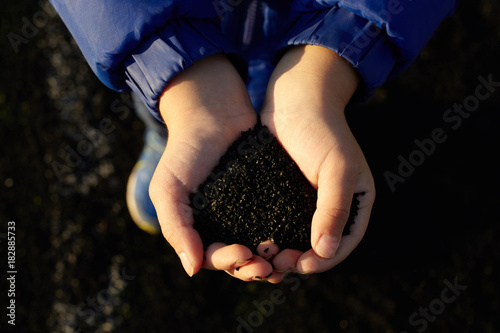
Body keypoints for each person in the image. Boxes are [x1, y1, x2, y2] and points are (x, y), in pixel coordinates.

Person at [49, 0, 459, 283]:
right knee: (169, 109)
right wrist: (170, 68)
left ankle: (214, 118)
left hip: (305, 32)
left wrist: (323, 76)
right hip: (178, 45)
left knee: (264, 99)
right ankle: (166, 136)